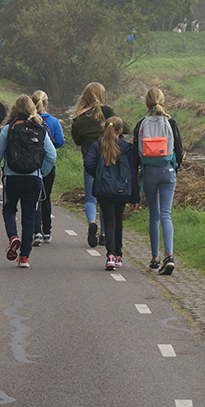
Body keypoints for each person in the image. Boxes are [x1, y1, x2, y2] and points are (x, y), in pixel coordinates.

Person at [0, 94, 56, 268]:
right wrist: (40, 172)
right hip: (33, 179)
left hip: (12, 177)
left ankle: (13, 237)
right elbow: (52, 155)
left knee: (9, 210)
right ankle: (24, 258)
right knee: (29, 217)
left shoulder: (8, 128)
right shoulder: (39, 128)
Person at [133, 87, 184, 275]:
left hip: (149, 173)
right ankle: (169, 255)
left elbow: (135, 155)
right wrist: (175, 168)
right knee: (166, 214)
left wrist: (138, 177)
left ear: (146, 103)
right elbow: (179, 151)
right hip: (168, 171)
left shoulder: (140, 124)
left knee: (154, 216)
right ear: (163, 101)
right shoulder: (171, 123)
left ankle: (154, 258)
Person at [71, 82, 127, 248]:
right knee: (105, 196)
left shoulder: (77, 117)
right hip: (108, 161)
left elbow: (77, 141)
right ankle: (103, 234)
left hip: (90, 161)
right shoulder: (107, 111)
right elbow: (124, 128)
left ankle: (91, 223)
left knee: (90, 198)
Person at [84, 116, 139, 270]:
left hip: (104, 190)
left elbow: (88, 163)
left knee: (108, 220)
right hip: (122, 190)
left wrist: (98, 175)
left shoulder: (98, 145)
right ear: (120, 131)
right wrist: (135, 196)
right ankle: (118, 255)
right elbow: (133, 173)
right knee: (118, 220)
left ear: (104, 128)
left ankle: (110, 255)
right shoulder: (127, 148)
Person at [31, 90, 65, 246]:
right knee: (46, 196)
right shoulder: (53, 122)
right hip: (49, 165)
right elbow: (60, 141)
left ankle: (36, 231)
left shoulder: (29, 120)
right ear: (46, 104)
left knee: (34, 197)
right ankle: (47, 231)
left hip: (32, 164)